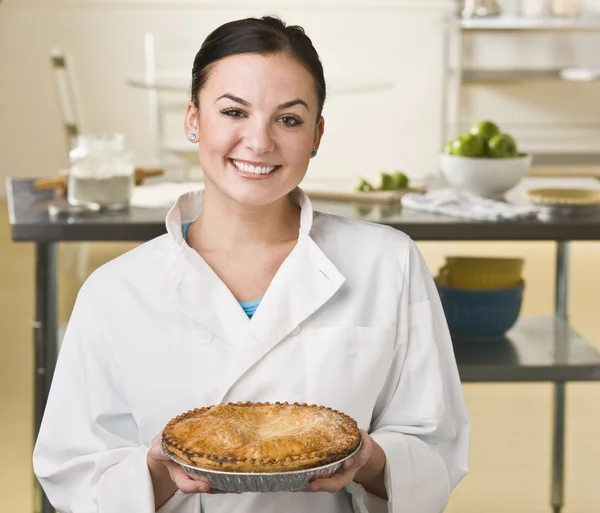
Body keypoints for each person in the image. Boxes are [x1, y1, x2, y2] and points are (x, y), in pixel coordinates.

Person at [32, 15, 470, 513]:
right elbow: (73, 476)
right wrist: (158, 471)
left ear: (316, 135)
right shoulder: (114, 291)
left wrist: (368, 459)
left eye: (288, 119)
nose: (259, 142)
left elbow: (436, 447)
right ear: (193, 120)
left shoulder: (389, 263)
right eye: (234, 112)